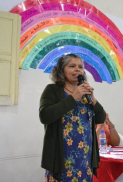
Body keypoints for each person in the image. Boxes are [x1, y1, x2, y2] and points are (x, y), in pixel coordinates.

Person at [39, 54, 106, 182]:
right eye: (72, 66)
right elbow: (44, 116)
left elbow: (101, 118)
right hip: (61, 158)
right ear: (61, 70)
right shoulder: (52, 90)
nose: (77, 69)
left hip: (85, 158)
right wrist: (73, 97)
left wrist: (93, 99)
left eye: (80, 67)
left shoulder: (85, 93)